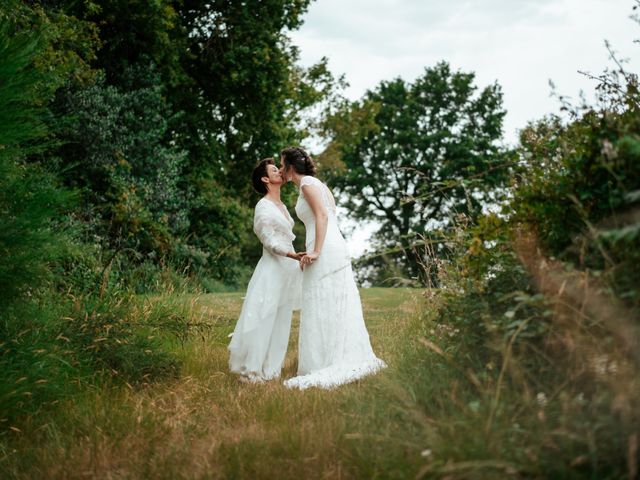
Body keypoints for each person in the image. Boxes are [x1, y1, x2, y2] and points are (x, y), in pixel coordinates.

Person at [280, 146, 386, 390]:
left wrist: (316, 250)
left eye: (282, 163)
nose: (280, 168)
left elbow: (323, 216)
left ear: (290, 167)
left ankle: (330, 360)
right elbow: (329, 214)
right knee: (327, 299)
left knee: (322, 299)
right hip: (329, 242)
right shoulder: (316, 184)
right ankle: (333, 354)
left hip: (324, 245)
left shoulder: (307, 184)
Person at [228, 158, 304, 382]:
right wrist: (291, 254)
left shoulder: (282, 206)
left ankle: (272, 370)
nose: (280, 171)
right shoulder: (262, 206)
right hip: (272, 268)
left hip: (288, 270)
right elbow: (268, 239)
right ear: (265, 179)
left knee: (282, 319)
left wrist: (295, 258)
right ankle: (252, 370)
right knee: (265, 316)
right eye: (274, 170)